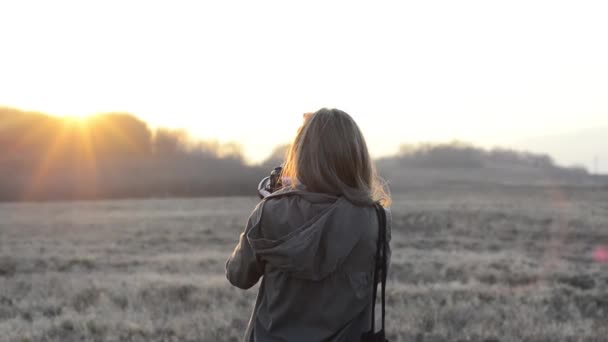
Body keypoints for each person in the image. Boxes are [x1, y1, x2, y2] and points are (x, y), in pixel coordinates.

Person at [226, 108, 392, 342]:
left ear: (300, 155)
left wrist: (276, 203)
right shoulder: (376, 218)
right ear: (357, 157)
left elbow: (238, 275)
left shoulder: (270, 212)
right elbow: (374, 277)